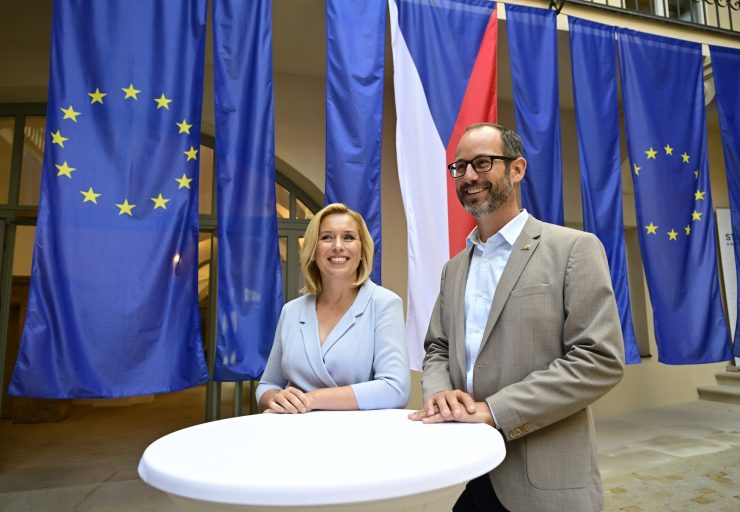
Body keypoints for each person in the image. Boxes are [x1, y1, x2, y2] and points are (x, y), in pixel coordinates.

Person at [409, 123, 624, 512]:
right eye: (460, 167)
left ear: (517, 169)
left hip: (542, 480)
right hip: (464, 472)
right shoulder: (453, 268)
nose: (469, 176)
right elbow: (438, 347)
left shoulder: (574, 249)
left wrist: (494, 411)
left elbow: (599, 360)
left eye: (482, 163)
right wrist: (438, 393)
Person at [256, 203, 410, 413]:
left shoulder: (384, 304)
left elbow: (395, 389)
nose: (338, 246)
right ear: (313, 250)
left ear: (362, 251)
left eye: (348, 237)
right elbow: (267, 385)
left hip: (357, 431)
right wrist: (276, 398)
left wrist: (310, 399)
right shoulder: (291, 311)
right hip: (295, 430)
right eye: (327, 237)